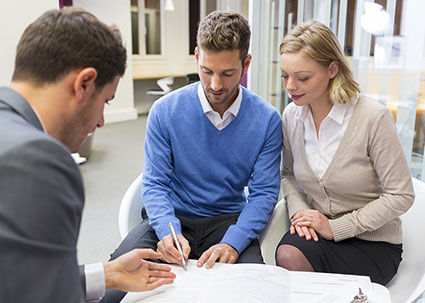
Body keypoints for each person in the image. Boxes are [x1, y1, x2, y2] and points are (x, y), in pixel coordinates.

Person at [104, 10, 282, 302]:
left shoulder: (267, 120)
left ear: (246, 63)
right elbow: (156, 183)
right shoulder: (165, 111)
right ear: (197, 56)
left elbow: (264, 194)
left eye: (227, 73)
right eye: (206, 70)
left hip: (228, 222)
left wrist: (234, 243)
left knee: (255, 293)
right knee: (112, 289)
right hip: (173, 219)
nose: (215, 85)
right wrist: (166, 230)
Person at [0, 7, 175, 303]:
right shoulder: (39, 160)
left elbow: (16, 279)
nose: (101, 122)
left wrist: (106, 274)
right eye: (105, 101)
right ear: (84, 83)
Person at [275, 20, 415, 285]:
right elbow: (288, 174)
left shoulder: (374, 118)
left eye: (302, 77)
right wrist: (300, 214)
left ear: (332, 69)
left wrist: (336, 227)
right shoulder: (292, 116)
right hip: (317, 229)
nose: (290, 86)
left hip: (373, 243)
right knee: (287, 255)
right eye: (285, 75)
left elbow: (401, 195)